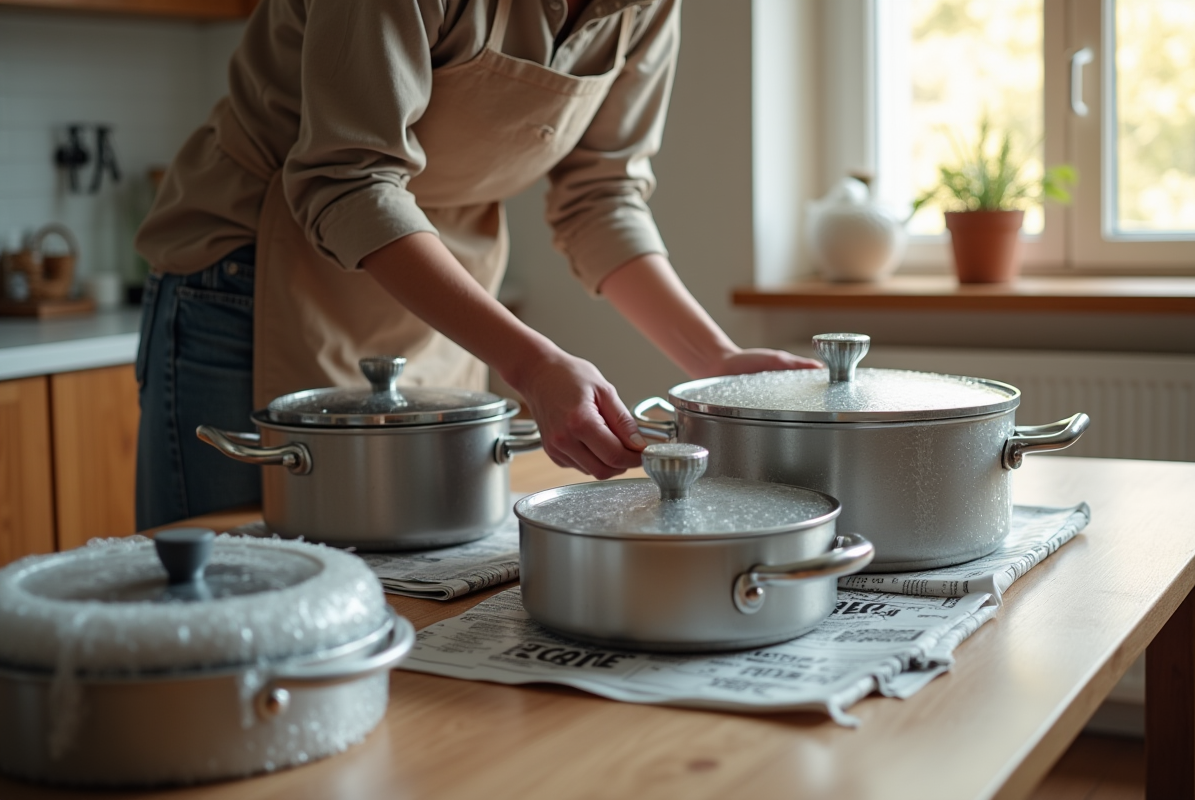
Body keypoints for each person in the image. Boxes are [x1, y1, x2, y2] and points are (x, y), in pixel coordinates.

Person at [133, 0, 819, 530]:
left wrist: (715, 361)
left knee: (407, 591)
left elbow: (599, 196)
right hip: (247, 280)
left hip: (438, 302)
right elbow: (345, 180)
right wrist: (533, 364)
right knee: (229, 587)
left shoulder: (645, 9)